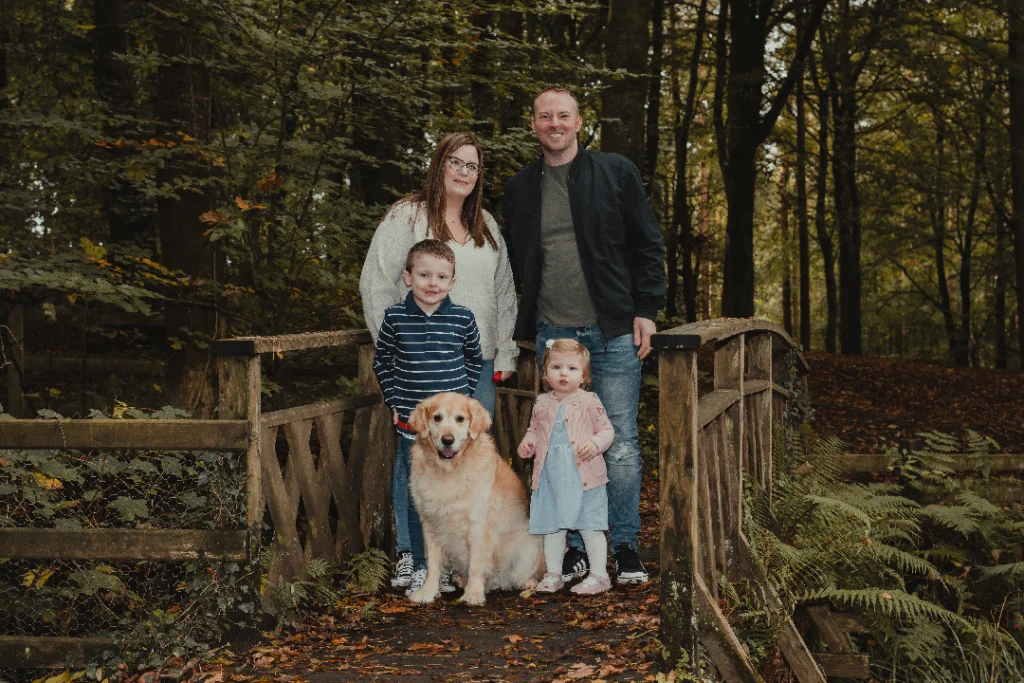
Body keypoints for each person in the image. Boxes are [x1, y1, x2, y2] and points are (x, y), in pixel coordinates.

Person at [503, 86, 666, 585]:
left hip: (613, 329)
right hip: (555, 336)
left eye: (564, 115)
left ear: (579, 123)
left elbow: (647, 242)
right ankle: (573, 549)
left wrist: (646, 309)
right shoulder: (520, 188)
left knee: (617, 444)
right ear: (533, 125)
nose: (554, 123)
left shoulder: (615, 172)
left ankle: (624, 545)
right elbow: (510, 264)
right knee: (557, 445)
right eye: (545, 116)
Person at [361, 132, 518, 419]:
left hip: (478, 362)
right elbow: (377, 284)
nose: (463, 172)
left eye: (471, 166)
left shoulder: (487, 224)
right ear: (438, 165)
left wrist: (505, 349)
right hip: (422, 362)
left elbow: (503, 291)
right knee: (422, 454)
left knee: (474, 455)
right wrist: (394, 347)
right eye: (455, 162)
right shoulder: (407, 216)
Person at [372, 239, 484, 595]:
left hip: (451, 428)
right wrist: (395, 401)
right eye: (424, 275)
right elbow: (382, 362)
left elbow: (474, 359)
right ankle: (416, 560)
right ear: (408, 278)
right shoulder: (394, 317)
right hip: (413, 426)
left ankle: (449, 565)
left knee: (453, 495)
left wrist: (462, 399)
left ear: (452, 282)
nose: (432, 283)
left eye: (441, 276)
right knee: (416, 493)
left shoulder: (463, 318)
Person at [518, 339, 615, 594]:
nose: (563, 373)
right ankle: (553, 573)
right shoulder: (542, 403)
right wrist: (528, 444)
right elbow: (534, 431)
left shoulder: (589, 400)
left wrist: (595, 444)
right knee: (552, 525)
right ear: (545, 372)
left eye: (572, 368)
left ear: (584, 375)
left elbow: (606, 430)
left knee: (590, 524)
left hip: (584, 477)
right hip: (550, 478)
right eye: (556, 367)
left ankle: (599, 575)